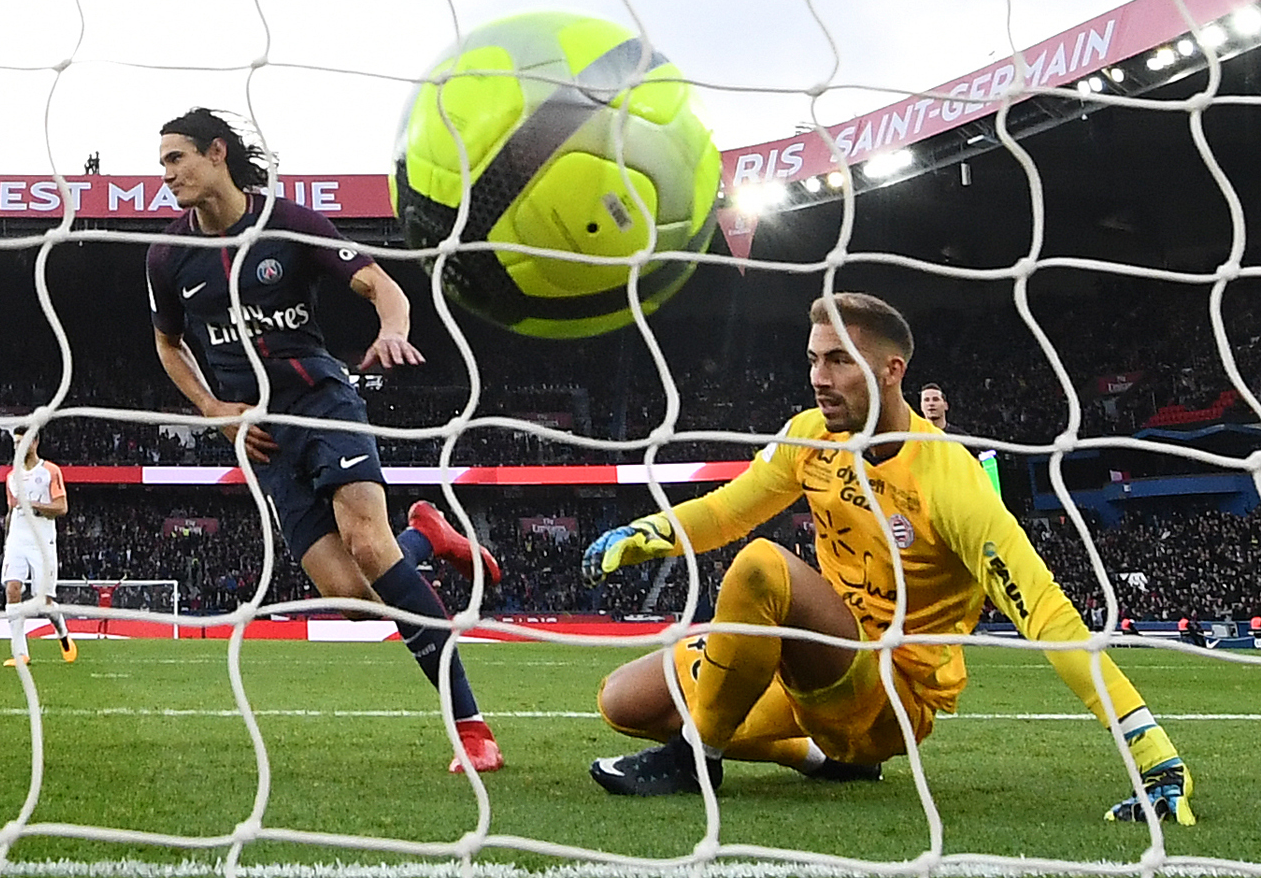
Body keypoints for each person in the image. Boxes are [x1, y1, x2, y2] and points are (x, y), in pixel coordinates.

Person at [581, 293, 1194, 825]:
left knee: (763, 567)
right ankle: (819, 759)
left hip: (891, 694)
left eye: (840, 360)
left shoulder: (947, 479)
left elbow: (1042, 610)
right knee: (624, 702)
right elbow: (728, 510)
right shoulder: (808, 437)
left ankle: (696, 761)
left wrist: (1151, 750)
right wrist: (646, 531)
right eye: (815, 359)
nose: (819, 377)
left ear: (891, 370)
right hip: (819, 664)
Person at [145, 107, 504, 772]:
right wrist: (214, 409)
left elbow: (382, 286)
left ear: (216, 152)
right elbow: (168, 345)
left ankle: (472, 726)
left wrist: (393, 328)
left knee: (369, 541)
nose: (165, 174)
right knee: (356, 603)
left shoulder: (291, 223)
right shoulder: (168, 255)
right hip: (265, 434)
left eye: (175, 158)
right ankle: (431, 534)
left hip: (324, 400)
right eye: (162, 161)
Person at [1, 426, 77, 666]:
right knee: (12, 589)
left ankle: (63, 634)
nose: (17, 447)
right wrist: (6, 542)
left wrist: (34, 505)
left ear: (34, 443)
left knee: (43, 602)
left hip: (42, 541)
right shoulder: (12, 476)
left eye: (21, 442)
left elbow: (61, 507)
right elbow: (11, 510)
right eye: (15, 443)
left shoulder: (50, 471)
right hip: (17, 540)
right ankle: (20, 653)